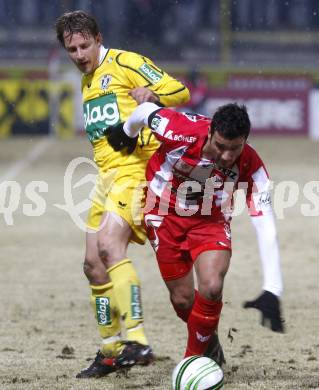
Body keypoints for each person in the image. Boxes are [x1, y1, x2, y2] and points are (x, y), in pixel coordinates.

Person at [55, 10, 190, 378]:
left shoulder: (126, 62)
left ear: (99, 38)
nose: (80, 54)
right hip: (106, 179)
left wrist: (153, 95)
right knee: (92, 265)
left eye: (85, 45)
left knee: (109, 248)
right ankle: (111, 349)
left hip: (137, 172)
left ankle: (138, 339)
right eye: (72, 49)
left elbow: (181, 90)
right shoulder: (87, 81)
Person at [105, 102, 285, 364]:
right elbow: (145, 111)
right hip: (162, 213)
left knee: (212, 287)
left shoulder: (252, 166)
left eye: (234, 148)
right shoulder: (180, 130)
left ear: (245, 140)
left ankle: (193, 361)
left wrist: (272, 288)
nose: (226, 156)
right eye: (220, 146)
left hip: (209, 221)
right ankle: (209, 341)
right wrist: (127, 131)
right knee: (183, 301)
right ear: (210, 132)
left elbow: (265, 223)